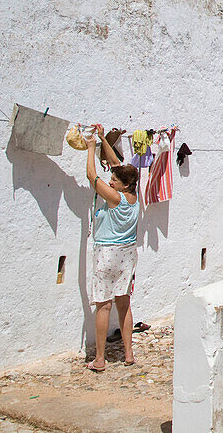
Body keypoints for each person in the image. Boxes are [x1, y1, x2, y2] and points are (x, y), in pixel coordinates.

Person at [85, 127, 140, 371]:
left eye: (115, 181)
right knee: (124, 303)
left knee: (103, 305)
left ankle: (99, 358)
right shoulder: (133, 196)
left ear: (123, 185)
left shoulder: (114, 198)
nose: (111, 181)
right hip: (128, 255)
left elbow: (91, 176)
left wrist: (89, 149)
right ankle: (128, 353)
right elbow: (117, 165)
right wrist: (102, 138)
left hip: (107, 253)